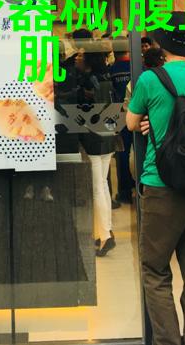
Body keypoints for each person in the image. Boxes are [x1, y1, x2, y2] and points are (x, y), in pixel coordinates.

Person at [126, 12, 185, 345]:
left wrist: (150, 120)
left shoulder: (150, 80)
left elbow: (131, 123)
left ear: (162, 43)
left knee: (155, 270)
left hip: (162, 185)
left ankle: (167, 342)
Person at [78, 49, 121, 257]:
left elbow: (84, 109)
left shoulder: (89, 80)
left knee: (97, 188)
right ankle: (106, 230)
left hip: (94, 136)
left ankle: (104, 236)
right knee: (103, 185)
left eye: (81, 56)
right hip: (108, 133)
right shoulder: (107, 77)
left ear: (89, 60)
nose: (78, 58)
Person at [109, 36, 134, 204]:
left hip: (119, 117)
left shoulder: (111, 70)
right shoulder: (138, 68)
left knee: (122, 154)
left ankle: (124, 192)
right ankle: (140, 188)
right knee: (141, 152)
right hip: (138, 115)